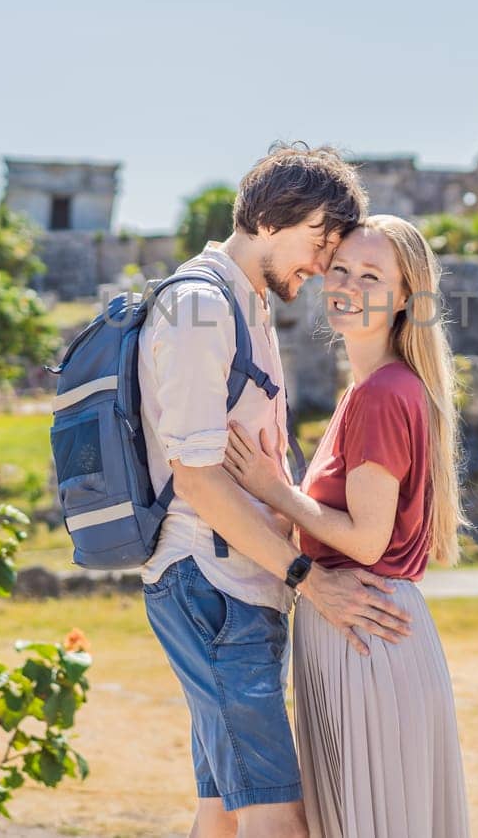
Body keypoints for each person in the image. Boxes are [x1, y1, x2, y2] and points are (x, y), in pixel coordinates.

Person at [138, 144, 414, 838]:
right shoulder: (203, 306)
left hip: (231, 583)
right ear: (270, 217)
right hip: (212, 583)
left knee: (225, 812)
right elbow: (198, 477)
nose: (323, 266)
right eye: (321, 241)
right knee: (278, 818)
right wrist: (307, 577)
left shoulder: (244, 304)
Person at [222, 214, 471, 837]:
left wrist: (273, 488)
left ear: (406, 298)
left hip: (365, 634)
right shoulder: (368, 391)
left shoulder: (384, 393)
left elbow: (365, 539)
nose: (348, 285)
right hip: (361, 628)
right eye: (339, 270)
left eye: (371, 275)